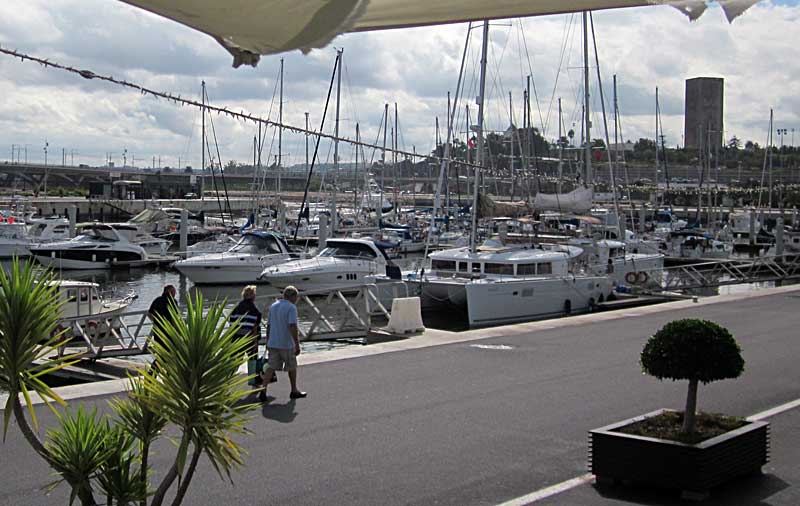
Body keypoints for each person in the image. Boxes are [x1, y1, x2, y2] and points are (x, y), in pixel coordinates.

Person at [259, 286, 306, 402]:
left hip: (273, 342)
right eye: (296, 297)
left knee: (271, 366)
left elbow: (269, 325)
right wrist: (297, 343)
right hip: (286, 343)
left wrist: (268, 341)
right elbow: (292, 325)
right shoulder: (291, 307)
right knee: (292, 366)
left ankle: (263, 389)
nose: (296, 299)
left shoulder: (273, 306)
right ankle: (294, 390)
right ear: (293, 296)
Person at [228, 285, 273, 386]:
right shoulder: (254, 310)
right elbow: (254, 327)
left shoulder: (236, 308)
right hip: (249, 339)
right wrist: (255, 342)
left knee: (235, 361)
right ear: (253, 296)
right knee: (253, 361)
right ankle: (253, 382)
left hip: (236, 339)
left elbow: (231, 325)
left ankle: (227, 381)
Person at [147, 284, 177, 372]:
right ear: (169, 292)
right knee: (170, 355)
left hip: (158, 331)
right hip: (168, 332)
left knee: (162, 354)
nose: (175, 293)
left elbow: (149, 314)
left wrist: (156, 322)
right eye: (173, 292)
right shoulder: (173, 301)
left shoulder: (157, 300)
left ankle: (152, 373)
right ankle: (153, 373)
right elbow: (174, 318)